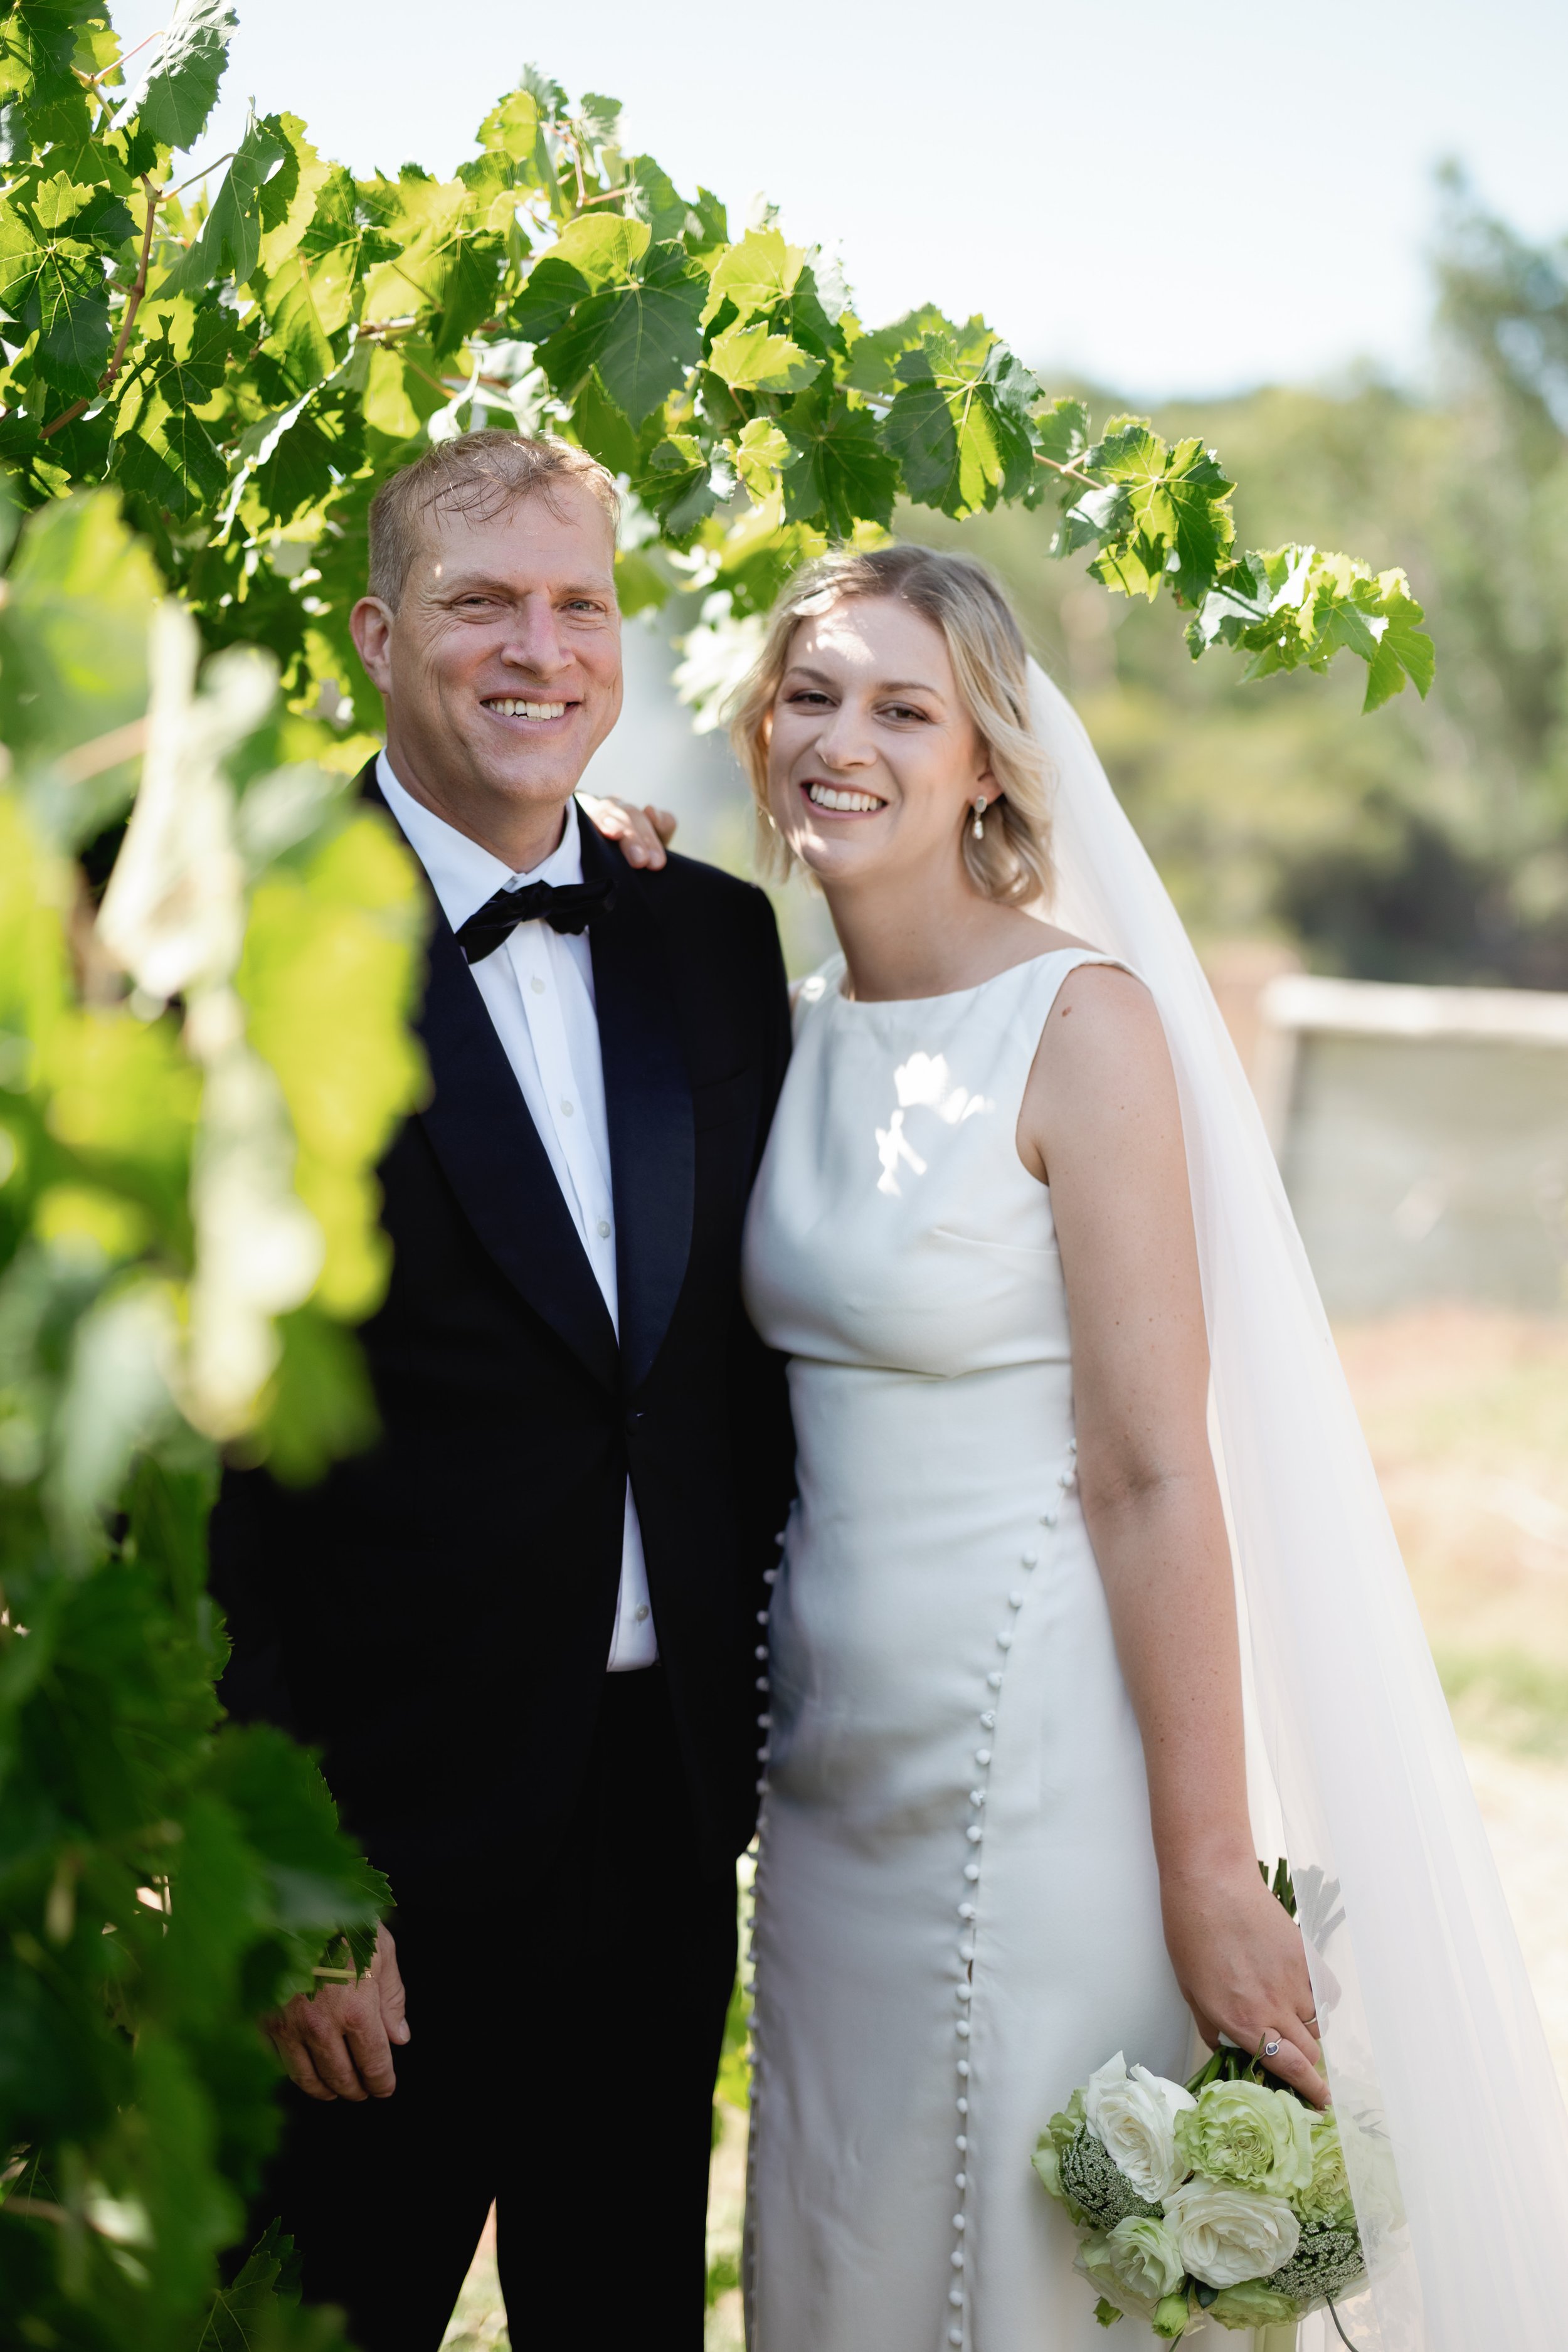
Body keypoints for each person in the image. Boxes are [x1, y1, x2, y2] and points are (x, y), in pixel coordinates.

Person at [734, 543, 1568, 2352]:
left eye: (901, 707)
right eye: (809, 696)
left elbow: (1150, 1473)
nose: (841, 741)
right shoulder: (776, 1032)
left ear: (985, 762)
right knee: (833, 2244)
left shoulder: (1081, 1026)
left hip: (1029, 1783)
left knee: (1018, 2283)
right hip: (821, 1794)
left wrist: (1206, 1866)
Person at [209, 431, 793, 2352]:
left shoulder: (711, 939)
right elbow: (184, 1463)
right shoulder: (237, 940)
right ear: (381, 634)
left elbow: (717, 1379)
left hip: (656, 1824)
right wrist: (285, 1876)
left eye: (578, 603)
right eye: (480, 603)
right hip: (371, 1845)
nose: (536, 648)